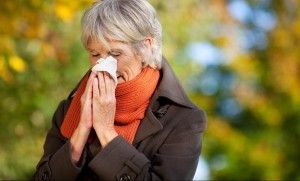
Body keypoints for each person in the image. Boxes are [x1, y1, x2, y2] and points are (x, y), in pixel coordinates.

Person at [34, 0, 206, 180]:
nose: (103, 65)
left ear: (146, 47)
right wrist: (81, 131)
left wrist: (105, 131)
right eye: (95, 54)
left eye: (115, 54)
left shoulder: (184, 120)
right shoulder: (71, 108)